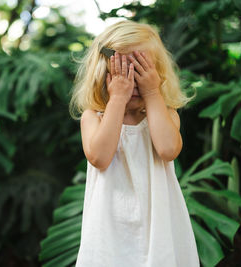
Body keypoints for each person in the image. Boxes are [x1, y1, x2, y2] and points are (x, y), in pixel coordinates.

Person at [69, 20, 199, 267]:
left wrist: (152, 94)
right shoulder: (92, 118)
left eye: (141, 71)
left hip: (158, 227)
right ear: (103, 74)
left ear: (157, 74)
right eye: (123, 71)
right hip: (109, 228)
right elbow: (100, 157)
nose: (132, 80)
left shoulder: (165, 116)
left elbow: (168, 150)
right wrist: (117, 99)